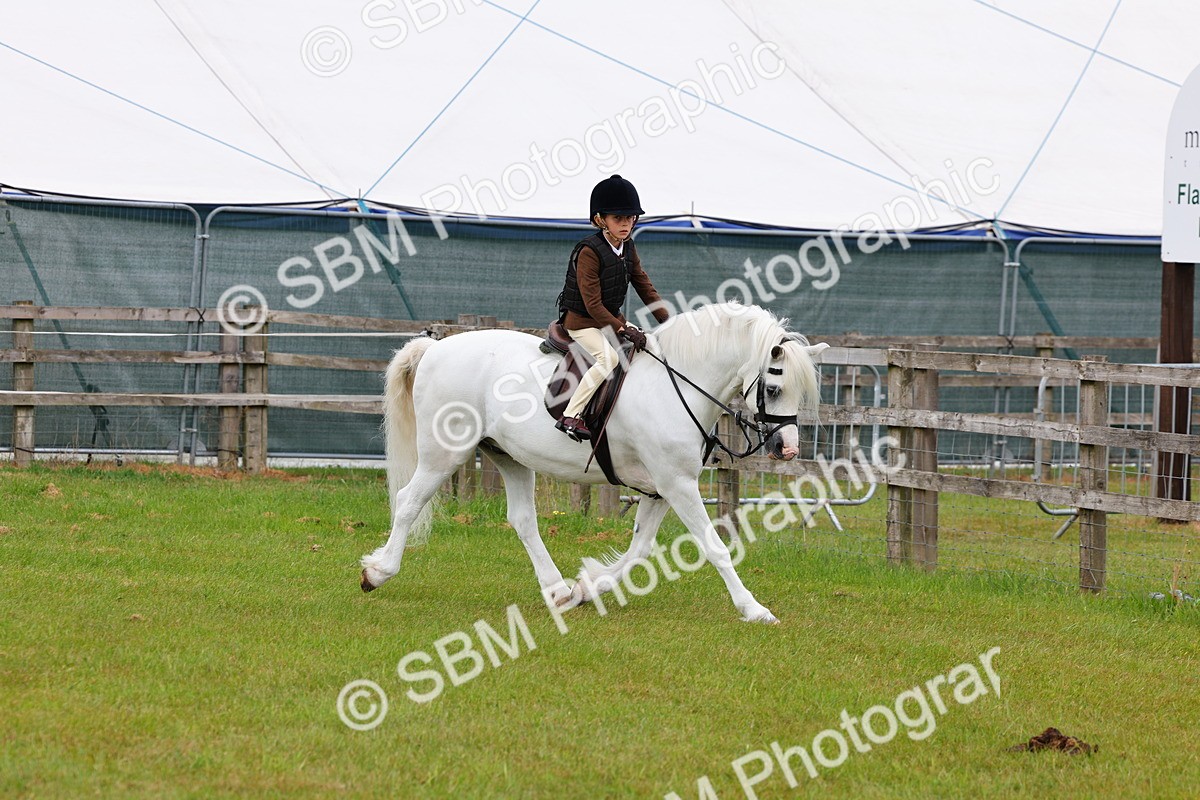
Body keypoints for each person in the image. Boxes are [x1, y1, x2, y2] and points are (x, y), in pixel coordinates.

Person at [555, 175, 670, 441]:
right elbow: (593, 305)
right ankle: (571, 415)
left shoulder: (628, 246)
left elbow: (643, 284)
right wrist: (625, 329)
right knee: (609, 359)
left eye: (630, 218)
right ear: (600, 220)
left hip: (609, 318)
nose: (626, 224)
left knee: (650, 347)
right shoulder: (589, 252)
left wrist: (669, 320)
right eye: (618, 218)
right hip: (581, 323)